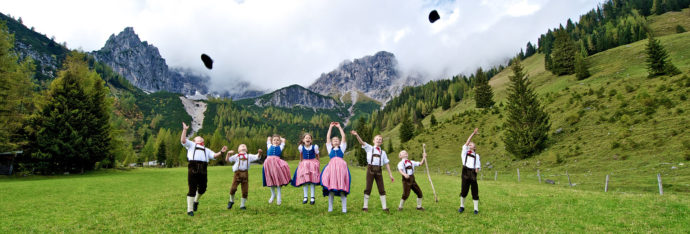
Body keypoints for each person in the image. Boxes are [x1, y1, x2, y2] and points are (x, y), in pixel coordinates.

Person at [180, 122, 227, 216]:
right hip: (193, 168)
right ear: (194, 140)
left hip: (203, 170)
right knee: (192, 189)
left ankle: (195, 201)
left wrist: (221, 152)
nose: (200, 137)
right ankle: (190, 210)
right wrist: (185, 130)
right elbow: (183, 140)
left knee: (203, 189)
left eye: (201, 138)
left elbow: (214, 155)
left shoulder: (206, 149)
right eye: (198, 137)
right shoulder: (191, 145)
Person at [351, 131, 395, 212]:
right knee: (368, 187)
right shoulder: (369, 148)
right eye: (377, 139)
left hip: (379, 171)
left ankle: (385, 207)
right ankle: (365, 207)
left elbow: (387, 164)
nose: (378, 140)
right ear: (373, 141)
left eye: (380, 139)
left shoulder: (383, 153)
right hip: (370, 170)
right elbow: (361, 142)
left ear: (381, 142)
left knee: (381, 188)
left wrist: (390, 175)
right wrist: (357, 135)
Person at [320, 122, 351, 213]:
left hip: (341, 169)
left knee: (342, 188)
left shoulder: (342, 148)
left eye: (337, 140)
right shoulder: (330, 149)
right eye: (334, 140)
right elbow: (328, 138)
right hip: (332, 169)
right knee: (331, 188)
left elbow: (344, 136)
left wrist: (339, 127)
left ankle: (344, 208)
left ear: (340, 142)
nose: (336, 141)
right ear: (332, 143)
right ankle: (330, 207)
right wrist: (330, 127)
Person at [225, 144, 262, 210]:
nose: (243, 147)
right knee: (233, 188)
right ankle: (231, 201)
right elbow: (227, 160)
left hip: (245, 174)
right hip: (237, 174)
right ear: (238, 150)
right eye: (241, 146)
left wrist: (259, 153)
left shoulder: (249, 156)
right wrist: (228, 153)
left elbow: (257, 157)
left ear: (246, 150)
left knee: (245, 191)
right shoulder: (236, 156)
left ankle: (242, 205)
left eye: (244, 146)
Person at [291, 133, 321, 204]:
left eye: (309, 138)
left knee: (312, 181)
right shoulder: (301, 147)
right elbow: (301, 155)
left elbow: (317, 155)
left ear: (311, 140)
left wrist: (318, 162)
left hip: (312, 164)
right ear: (303, 140)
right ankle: (305, 197)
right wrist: (301, 162)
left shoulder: (315, 147)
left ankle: (312, 197)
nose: (308, 139)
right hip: (304, 164)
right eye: (306, 138)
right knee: (305, 180)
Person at [263, 134, 291, 205]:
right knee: (270, 179)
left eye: (277, 140)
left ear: (280, 141)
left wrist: (280, 138)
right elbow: (268, 137)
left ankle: (279, 196)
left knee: (277, 180)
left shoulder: (280, 146)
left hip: (276, 165)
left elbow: (284, 140)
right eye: (274, 140)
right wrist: (274, 137)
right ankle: (273, 194)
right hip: (268, 165)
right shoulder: (269, 145)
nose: (276, 141)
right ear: (272, 141)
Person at [459, 128, 481, 214]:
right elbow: (467, 142)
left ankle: (476, 209)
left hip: (473, 173)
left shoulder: (477, 155)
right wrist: (473, 133)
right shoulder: (464, 152)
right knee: (464, 190)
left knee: (475, 190)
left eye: (471, 145)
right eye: (469, 144)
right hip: (465, 172)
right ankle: (462, 206)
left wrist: (477, 169)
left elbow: (478, 164)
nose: (469, 145)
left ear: (474, 147)